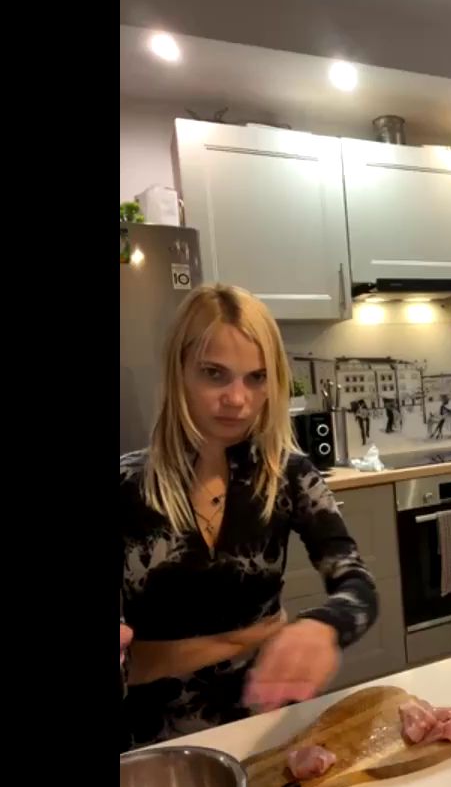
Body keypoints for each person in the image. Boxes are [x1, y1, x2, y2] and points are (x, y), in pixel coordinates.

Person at [120, 284, 378, 749]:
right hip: (153, 744)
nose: (237, 398)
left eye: (256, 378)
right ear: (179, 372)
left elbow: (357, 583)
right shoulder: (125, 486)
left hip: (266, 730)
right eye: (214, 374)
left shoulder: (287, 474)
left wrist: (323, 625)